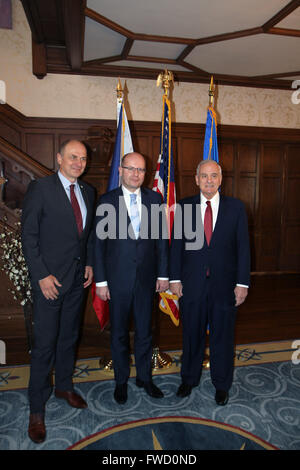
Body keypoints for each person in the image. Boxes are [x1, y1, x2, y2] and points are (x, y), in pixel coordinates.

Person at [21, 139, 95, 443]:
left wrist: (89, 264)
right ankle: (36, 408)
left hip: (77, 281)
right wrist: (41, 277)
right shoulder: (41, 189)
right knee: (44, 346)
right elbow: (28, 236)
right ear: (59, 158)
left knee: (69, 338)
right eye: (73, 157)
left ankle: (64, 386)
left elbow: (86, 236)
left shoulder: (89, 191)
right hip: (50, 284)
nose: (78, 162)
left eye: (83, 158)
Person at [169, 159, 250, 405]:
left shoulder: (236, 208)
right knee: (191, 335)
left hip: (224, 287)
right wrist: (174, 278)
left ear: (221, 178)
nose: (209, 180)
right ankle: (189, 379)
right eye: (204, 176)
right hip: (192, 285)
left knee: (222, 337)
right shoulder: (183, 207)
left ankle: (222, 384)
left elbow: (244, 249)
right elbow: (176, 248)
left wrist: (242, 283)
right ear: (196, 179)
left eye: (213, 175)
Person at [94, 152, 169, 404]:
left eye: (141, 170)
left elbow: (161, 242)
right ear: (121, 170)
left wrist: (163, 273)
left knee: (146, 332)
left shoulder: (155, 199)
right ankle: (121, 381)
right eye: (131, 169)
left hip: (147, 280)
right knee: (119, 334)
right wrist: (102, 282)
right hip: (117, 281)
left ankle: (145, 378)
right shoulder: (106, 201)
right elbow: (98, 245)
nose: (136, 174)